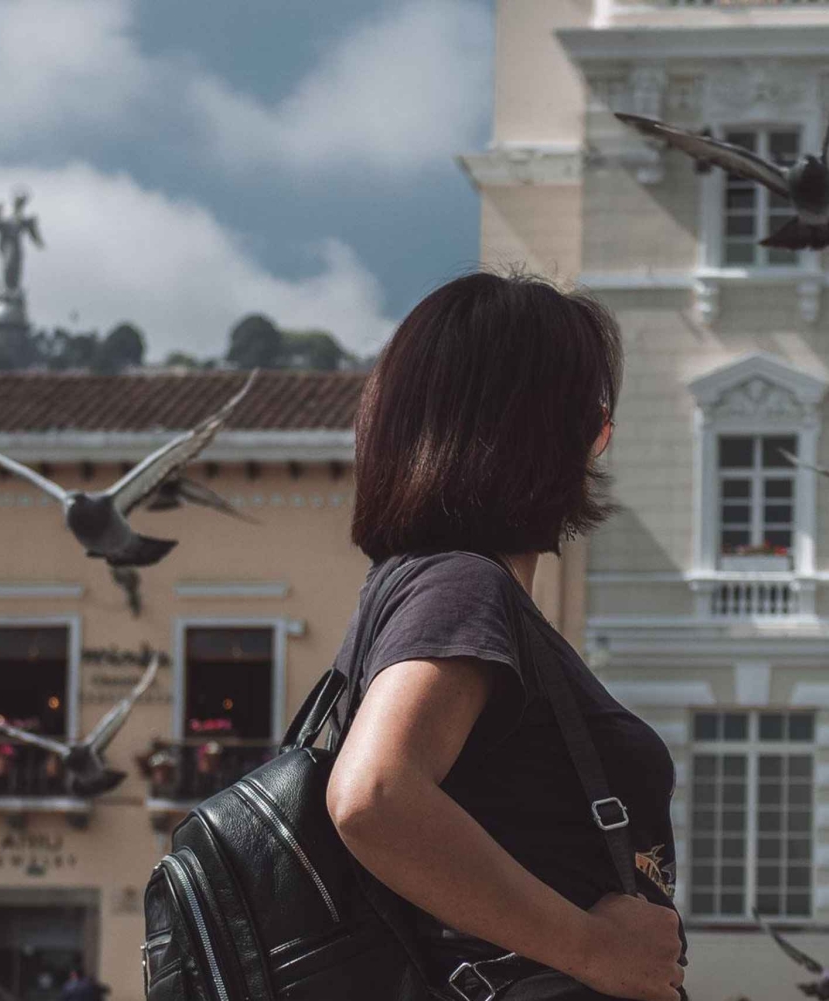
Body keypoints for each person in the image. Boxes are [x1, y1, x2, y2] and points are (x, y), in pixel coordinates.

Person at [326, 271, 687, 1001]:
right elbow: (375, 795)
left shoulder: (431, 589)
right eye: (592, 410)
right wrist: (593, 949)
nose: (601, 433)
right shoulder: (462, 587)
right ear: (556, 430)